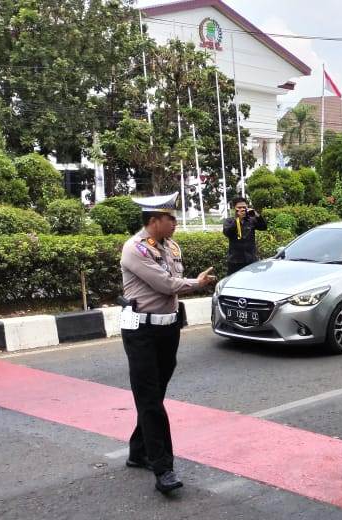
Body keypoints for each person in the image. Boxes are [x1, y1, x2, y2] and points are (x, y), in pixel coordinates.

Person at [119, 193, 217, 494]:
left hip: (168, 330)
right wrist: (196, 284)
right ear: (153, 222)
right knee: (150, 401)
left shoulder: (171, 246)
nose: (175, 223)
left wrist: (190, 283)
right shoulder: (134, 249)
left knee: (154, 396)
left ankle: (138, 452)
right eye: (170, 218)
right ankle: (164, 470)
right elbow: (166, 284)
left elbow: (173, 280)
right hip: (141, 334)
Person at [222, 197, 266, 276]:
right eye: (239, 207)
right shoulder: (229, 221)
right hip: (235, 260)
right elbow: (227, 232)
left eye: (244, 207)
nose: (242, 209)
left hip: (250, 259)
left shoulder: (251, 220)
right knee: (233, 282)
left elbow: (263, 227)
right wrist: (238, 219)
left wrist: (256, 214)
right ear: (234, 208)